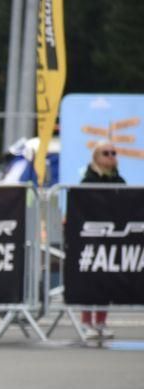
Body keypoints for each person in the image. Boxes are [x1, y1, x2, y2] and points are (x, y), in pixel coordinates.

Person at [80, 140, 126, 339]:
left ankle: (101, 321)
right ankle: (86, 321)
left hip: (111, 237)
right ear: (96, 157)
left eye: (113, 153)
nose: (111, 157)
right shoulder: (87, 181)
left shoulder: (119, 180)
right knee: (90, 279)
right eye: (106, 153)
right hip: (91, 237)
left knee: (107, 279)